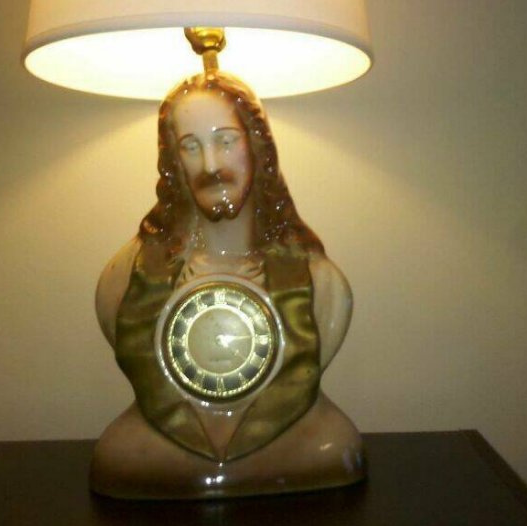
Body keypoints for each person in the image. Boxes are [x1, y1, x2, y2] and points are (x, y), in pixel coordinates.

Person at [91, 70, 365, 499]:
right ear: (173, 161)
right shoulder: (125, 280)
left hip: (300, 440)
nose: (210, 166)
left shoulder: (321, 285)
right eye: (191, 146)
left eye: (225, 140)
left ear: (256, 145)